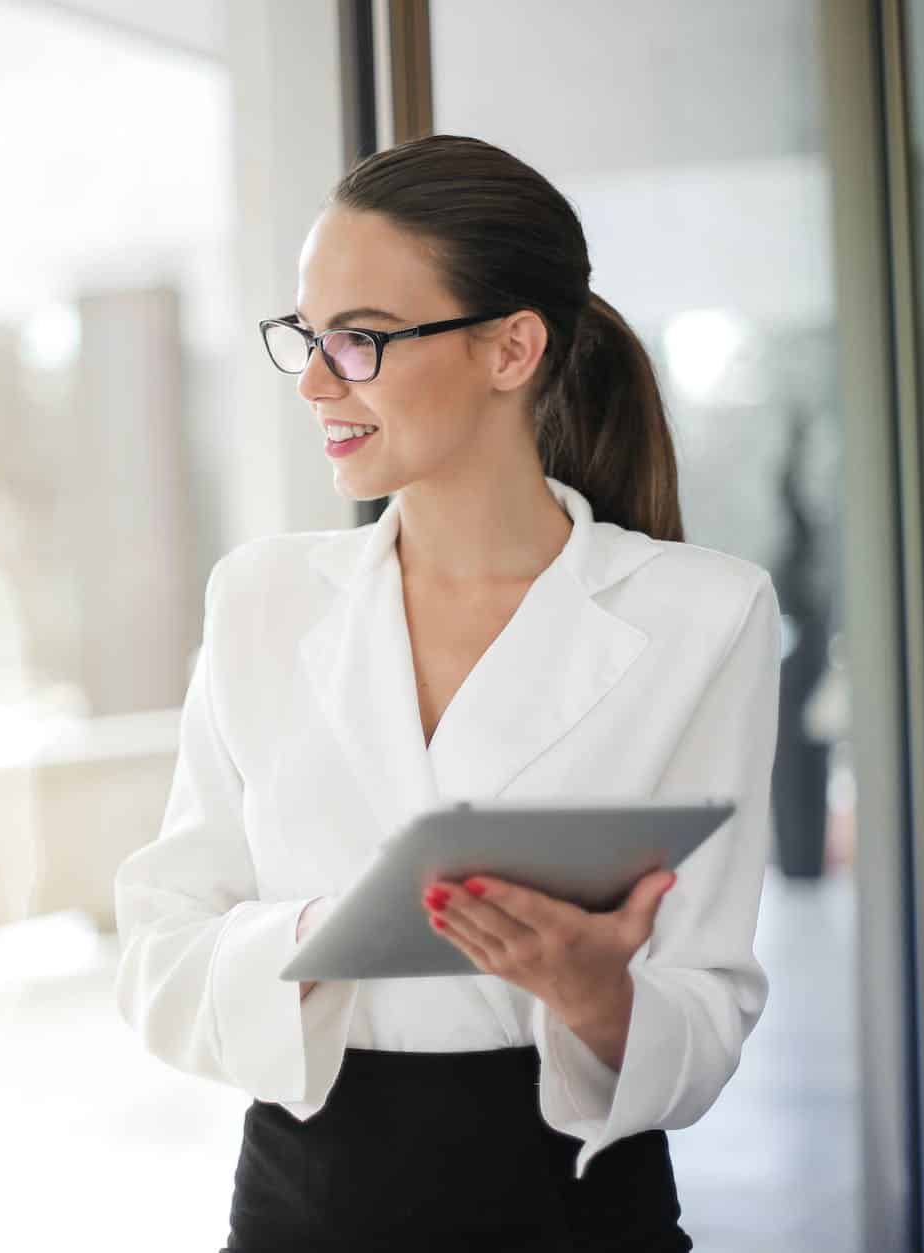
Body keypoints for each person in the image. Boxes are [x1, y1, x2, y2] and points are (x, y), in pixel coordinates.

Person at [112, 133, 783, 1252]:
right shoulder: (261, 599)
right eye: (307, 336)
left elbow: (708, 1007)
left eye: (361, 340)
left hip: (570, 1208)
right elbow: (158, 954)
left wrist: (593, 992)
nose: (318, 381)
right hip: (300, 1205)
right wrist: (331, 932)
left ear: (511, 346)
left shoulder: (702, 614)